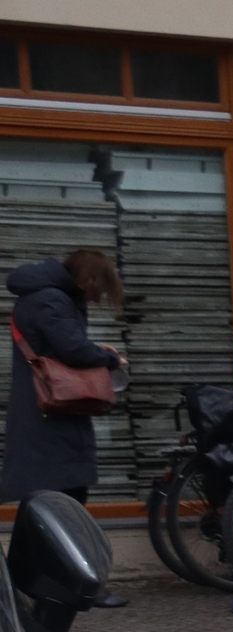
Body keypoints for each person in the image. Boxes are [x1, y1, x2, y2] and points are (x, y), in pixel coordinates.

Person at [3, 250, 130, 607]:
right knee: (64, 504)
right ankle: (75, 583)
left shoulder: (46, 296)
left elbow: (63, 345)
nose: (98, 296)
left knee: (46, 503)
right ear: (89, 279)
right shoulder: (50, 299)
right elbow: (73, 349)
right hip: (50, 418)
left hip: (47, 416)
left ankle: (23, 580)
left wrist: (93, 349)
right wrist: (109, 358)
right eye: (100, 288)